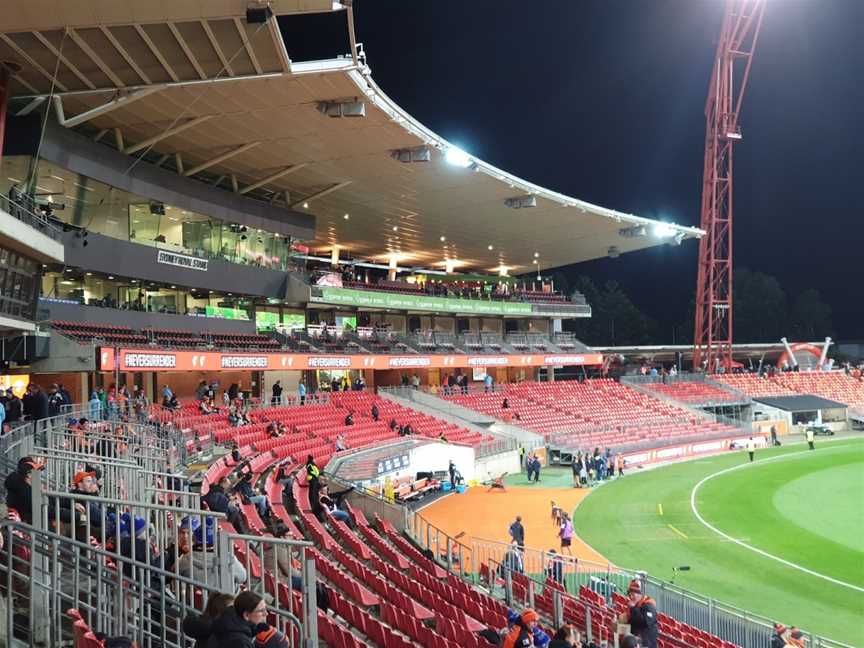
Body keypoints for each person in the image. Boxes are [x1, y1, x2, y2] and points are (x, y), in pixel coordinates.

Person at [620, 579, 657, 648]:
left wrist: (633, 608)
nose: (631, 597)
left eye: (633, 594)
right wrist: (623, 621)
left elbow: (646, 622)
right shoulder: (635, 605)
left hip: (646, 644)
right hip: (636, 642)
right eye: (629, 595)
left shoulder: (649, 605)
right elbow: (633, 624)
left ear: (639, 594)